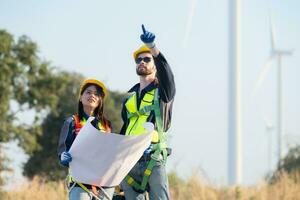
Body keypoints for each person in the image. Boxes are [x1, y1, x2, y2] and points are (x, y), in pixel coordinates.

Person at [119, 25, 176, 200]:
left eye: (146, 59)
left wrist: (153, 48)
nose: (142, 62)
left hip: (152, 158)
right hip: (130, 163)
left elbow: (167, 74)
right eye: (138, 60)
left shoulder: (163, 92)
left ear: (155, 65)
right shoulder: (128, 101)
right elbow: (124, 131)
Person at [57, 79, 115, 200]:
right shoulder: (72, 122)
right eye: (88, 92)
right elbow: (63, 150)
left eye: (96, 94)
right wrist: (63, 157)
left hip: (104, 186)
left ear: (100, 101)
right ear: (81, 98)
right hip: (80, 184)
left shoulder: (107, 126)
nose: (92, 96)